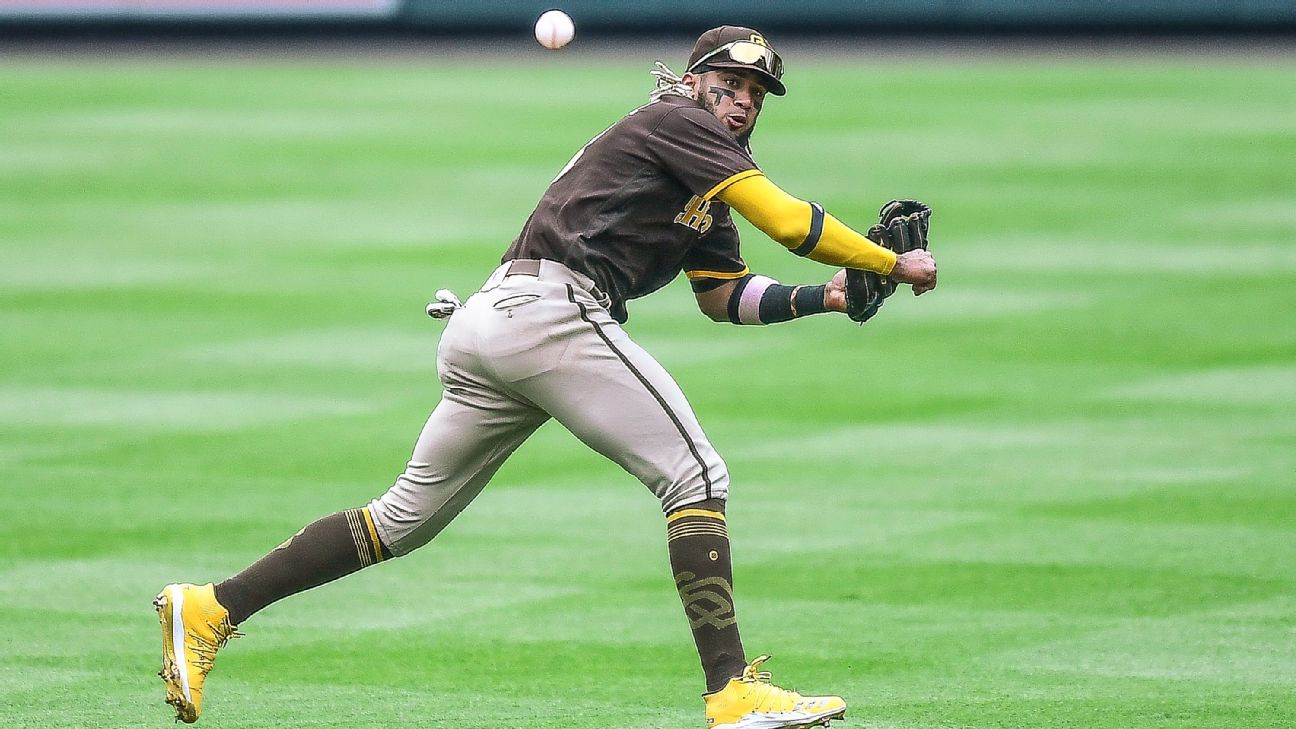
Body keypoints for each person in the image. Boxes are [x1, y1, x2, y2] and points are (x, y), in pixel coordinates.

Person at [154, 25, 937, 729]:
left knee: (400, 521)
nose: (739, 103)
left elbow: (724, 296)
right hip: (549, 315)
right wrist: (888, 263)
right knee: (696, 474)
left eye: (755, 94)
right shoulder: (678, 123)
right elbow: (788, 220)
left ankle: (212, 606)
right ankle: (731, 692)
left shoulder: (704, 174)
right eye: (728, 84)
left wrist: (831, 296)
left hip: (494, 323)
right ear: (692, 82)